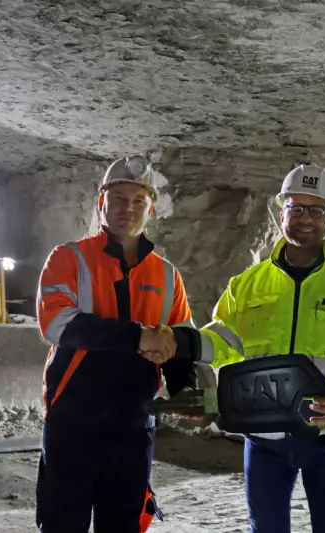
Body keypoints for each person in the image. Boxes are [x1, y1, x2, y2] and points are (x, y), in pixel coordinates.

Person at [169, 163, 325, 533]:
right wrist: (178, 343)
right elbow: (224, 340)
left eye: (317, 210)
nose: (305, 219)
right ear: (281, 213)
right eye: (296, 208)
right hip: (264, 439)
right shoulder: (247, 284)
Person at [34, 154, 198, 533]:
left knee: (123, 524)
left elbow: (178, 339)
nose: (128, 208)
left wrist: (183, 386)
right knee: (63, 522)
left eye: (138, 201)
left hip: (133, 422)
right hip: (74, 418)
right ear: (101, 201)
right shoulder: (67, 258)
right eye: (119, 199)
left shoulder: (168, 274)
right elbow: (57, 323)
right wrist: (139, 336)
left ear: (150, 207)